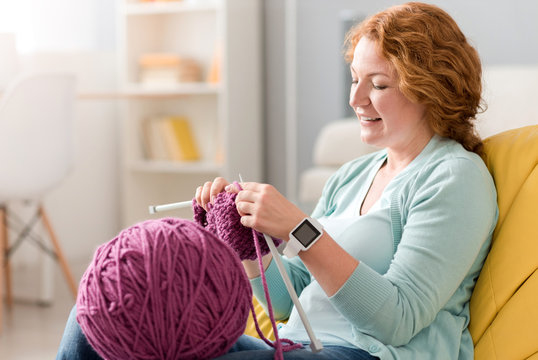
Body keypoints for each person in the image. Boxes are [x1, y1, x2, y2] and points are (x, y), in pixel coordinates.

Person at [56, 2, 498, 359]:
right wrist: (244, 242)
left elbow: (396, 320)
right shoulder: (353, 175)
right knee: (100, 313)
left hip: (370, 353)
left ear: (431, 88)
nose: (355, 99)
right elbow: (290, 302)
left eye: (378, 84)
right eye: (354, 80)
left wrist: (297, 228)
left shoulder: (454, 178)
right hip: (298, 344)